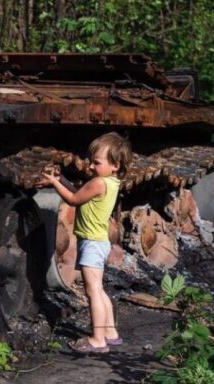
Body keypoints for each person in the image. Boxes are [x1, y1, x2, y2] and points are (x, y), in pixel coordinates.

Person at [37, 132, 132, 354]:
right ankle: (110, 333)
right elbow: (80, 193)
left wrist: (53, 182)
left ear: (115, 165)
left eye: (97, 163)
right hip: (99, 241)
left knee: (92, 292)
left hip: (91, 243)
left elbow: (73, 199)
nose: (91, 166)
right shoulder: (111, 181)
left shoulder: (98, 183)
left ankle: (97, 339)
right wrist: (63, 180)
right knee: (99, 290)